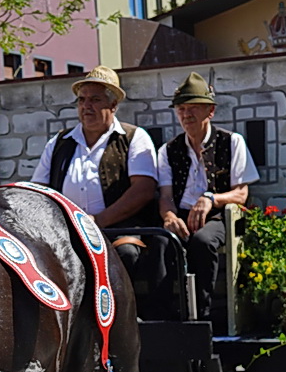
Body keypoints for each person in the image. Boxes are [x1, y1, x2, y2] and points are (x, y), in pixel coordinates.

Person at [32, 65, 159, 278]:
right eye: (82, 100)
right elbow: (38, 191)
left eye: (95, 99)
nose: (86, 106)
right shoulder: (60, 143)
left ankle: (125, 312)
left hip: (116, 231)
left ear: (114, 105)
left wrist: (97, 221)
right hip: (67, 232)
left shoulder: (133, 138)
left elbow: (143, 190)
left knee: (126, 254)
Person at [156, 72, 257, 319]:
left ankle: (202, 314)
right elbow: (166, 196)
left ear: (210, 111)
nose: (186, 115)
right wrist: (169, 217)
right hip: (182, 213)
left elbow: (242, 194)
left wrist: (212, 198)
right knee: (161, 241)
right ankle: (164, 316)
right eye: (181, 108)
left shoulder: (232, 142)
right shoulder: (168, 150)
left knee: (202, 242)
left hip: (221, 216)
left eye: (193, 108)